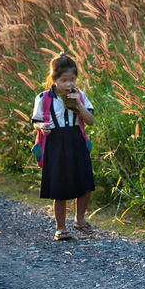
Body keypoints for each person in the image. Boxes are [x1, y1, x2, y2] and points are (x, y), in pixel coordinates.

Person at [31, 54, 95, 240]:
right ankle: (60, 227)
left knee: (85, 182)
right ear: (54, 79)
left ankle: (79, 219)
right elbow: (36, 121)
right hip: (56, 143)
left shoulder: (80, 95)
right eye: (64, 80)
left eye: (72, 79)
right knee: (60, 187)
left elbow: (90, 121)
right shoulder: (43, 98)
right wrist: (41, 127)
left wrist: (77, 105)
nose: (68, 84)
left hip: (76, 141)